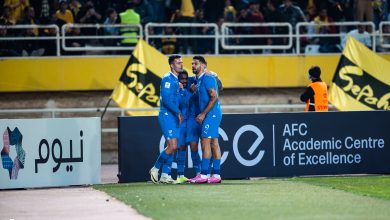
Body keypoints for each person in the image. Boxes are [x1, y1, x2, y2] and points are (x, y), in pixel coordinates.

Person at [149, 54, 184, 184]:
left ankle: (165, 175)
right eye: (178, 62)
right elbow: (167, 100)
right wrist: (178, 113)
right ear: (172, 65)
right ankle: (155, 168)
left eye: (181, 62)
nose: (181, 64)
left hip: (173, 116)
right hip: (167, 115)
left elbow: (176, 99)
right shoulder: (167, 79)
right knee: (172, 145)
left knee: (173, 146)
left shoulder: (175, 81)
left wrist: (180, 90)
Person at [189, 56, 223, 184]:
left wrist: (203, 114)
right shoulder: (198, 80)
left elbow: (214, 98)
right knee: (214, 143)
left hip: (211, 114)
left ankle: (203, 174)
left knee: (205, 141)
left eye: (196, 63)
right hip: (211, 114)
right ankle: (217, 175)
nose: (193, 65)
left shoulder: (208, 78)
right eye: (192, 63)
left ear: (203, 66)